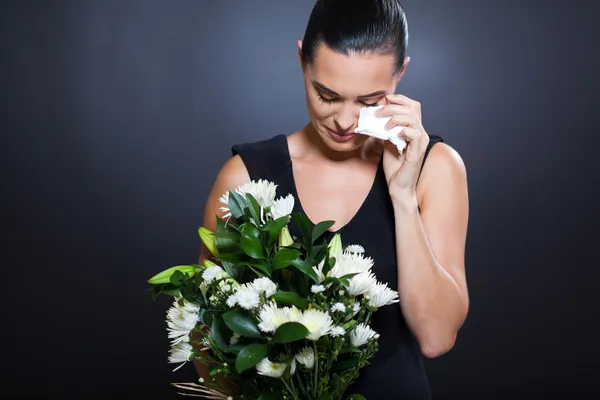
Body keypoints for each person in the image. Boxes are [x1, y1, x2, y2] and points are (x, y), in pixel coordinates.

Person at [196, 0, 470, 398]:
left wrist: (404, 197)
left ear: (401, 75)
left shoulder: (436, 168)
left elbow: (436, 336)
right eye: (327, 95)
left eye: (369, 101)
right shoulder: (243, 177)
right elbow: (209, 334)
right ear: (302, 61)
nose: (344, 121)